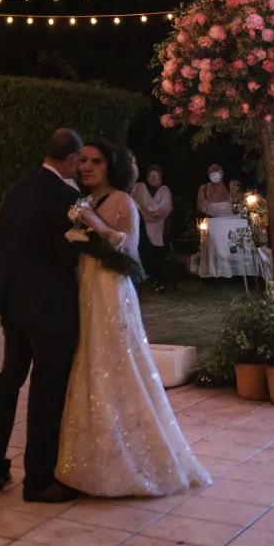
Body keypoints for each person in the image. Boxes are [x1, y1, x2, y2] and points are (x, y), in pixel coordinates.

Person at [55, 139, 210, 498]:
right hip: (87, 287)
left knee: (115, 360)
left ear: (113, 166)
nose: (87, 167)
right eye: (83, 161)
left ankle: (127, 456)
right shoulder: (88, 201)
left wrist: (92, 228)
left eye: (96, 161)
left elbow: (125, 251)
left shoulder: (122, 201)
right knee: (91, 362)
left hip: (110, 290)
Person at [0, 128, 84, 502]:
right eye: (80, 161)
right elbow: (67, 255)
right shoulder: (68, 198)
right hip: (49, 305)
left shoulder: (17, 189)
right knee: (46, 387)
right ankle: (38, 479)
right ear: (71, 159)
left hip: (13, 301)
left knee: (10, 376)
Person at [133, 163, 174, 289]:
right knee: (144, 253)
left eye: (155, 176)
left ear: (160, 178)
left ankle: (161, 281)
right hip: (141, 228)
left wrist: (146, 212)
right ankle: (148, 279)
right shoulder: (141, 189)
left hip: (159, 228)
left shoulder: (164, 191)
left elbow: (161, 210)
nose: (152, 179)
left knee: (159, 254)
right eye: (150, 176)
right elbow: (133, 203)